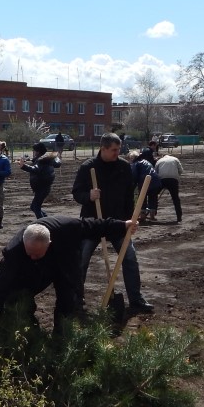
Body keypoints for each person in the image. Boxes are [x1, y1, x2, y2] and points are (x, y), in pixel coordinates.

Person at [0, 216, 137, 335]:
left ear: (48, 244)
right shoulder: (14, 250)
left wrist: (123, 225)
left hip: (64, 262)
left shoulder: (67, 228)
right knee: (18, 297)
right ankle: (31, 334)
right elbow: (0, 281)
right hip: (29, 273)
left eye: (37, 254)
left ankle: (61, 336)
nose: (33, 257)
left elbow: (95, 225)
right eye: (30, 253)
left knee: (68, 299)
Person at [71, 133, 154, 313]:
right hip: (93, 222)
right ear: (103, 148)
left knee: (130, 258)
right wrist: (89, 196)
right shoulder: (88, 167)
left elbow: (128, 197)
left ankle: (136, 299)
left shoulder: (124, 167)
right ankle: (76, 299)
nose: (118, 152)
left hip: (117, 223)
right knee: (81, 260)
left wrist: (131, 220)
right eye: (114, 150)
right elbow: (77, 193)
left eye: (119, 149)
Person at [19, 142, 61, 219]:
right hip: (44, 187)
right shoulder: (47, 158)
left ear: (37, 151)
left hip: (41, 187)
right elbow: (57, 163)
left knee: (36, 207)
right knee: (33, 206)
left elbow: (35, 169)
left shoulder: (41, 160)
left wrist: (23, 166)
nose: (33, 152)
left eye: (34, 150)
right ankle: (46, 218)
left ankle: (44, 222)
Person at [128, 150, 161, 221]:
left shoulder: (136, 163)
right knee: (153, 198)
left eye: (130, 158)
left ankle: (142, 216)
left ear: (133, 157)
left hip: (145, 181)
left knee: (142, 198)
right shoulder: (146, 162)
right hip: (155, 180)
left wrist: (132, 186)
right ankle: (152, 216)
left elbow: (134, 176)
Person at [155, 152, 184, 223]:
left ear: (163, 156)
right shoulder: (175, 159)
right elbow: (181, 171)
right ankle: (179, 216)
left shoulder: (159, 161)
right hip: (173, 180)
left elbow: (155, 172)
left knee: (154, 195)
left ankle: (153, 212)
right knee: (175, 198)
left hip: (162, 180)